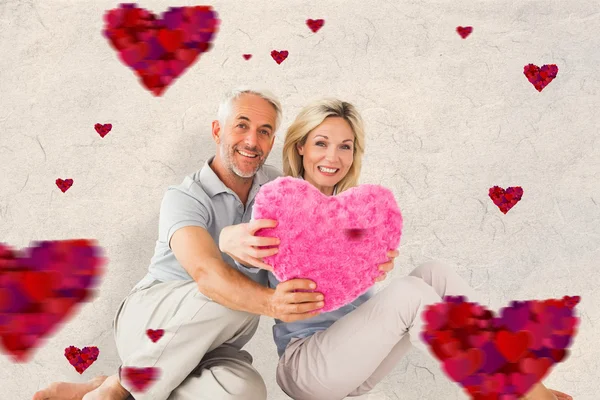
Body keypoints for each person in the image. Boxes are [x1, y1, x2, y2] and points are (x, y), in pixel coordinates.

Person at [33, 88, 392, 400]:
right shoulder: (185, 196)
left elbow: (322, 245)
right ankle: (119, 390)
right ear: (218, 130)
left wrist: (366, 256)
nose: (252, 140)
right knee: (233, 290)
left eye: (264, 131)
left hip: (215, 342)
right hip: (154, 320)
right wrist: (271, 302)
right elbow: (205, 274)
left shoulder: (283, 191)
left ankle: (116, 382)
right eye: (242, 126)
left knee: (245, 391)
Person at [218, 98, 573, 400]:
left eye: (345, 146)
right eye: (321, 143)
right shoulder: (274, 207)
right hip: (307, 367)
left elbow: (362, 302)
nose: (334, 156)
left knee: (435, 273)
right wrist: (230, 240)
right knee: (409, 293)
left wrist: (370, 265)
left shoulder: (357, 214)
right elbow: (239, 269)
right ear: (301, 147)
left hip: (359, 359)